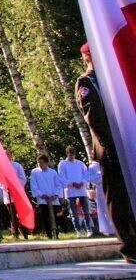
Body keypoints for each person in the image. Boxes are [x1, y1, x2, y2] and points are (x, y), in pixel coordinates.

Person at [76, 42, 136, 262]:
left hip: (129, 143)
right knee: (118, 198)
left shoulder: (115, 76)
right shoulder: (87, 81)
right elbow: (93, 116)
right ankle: (130, 247)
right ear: (88, 57)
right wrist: (108, 144)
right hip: (110, 147)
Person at [57, 145, 93, 237]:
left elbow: (86, 175)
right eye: (70, 154)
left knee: (86, 211)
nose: (71, 156)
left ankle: (89, 229)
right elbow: (61, 177)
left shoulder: (80, 164)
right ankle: (78, 231)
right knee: (74, 212)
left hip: (81, 189)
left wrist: (83, 182)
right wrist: (72, 183)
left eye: (73, 154)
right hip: (70, 190)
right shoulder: (62, 164)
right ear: (67, 154)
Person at [30, 154, 63, 240]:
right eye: (38, 163)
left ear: (46, 163)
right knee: (45, 217)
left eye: (41, 163)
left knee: (55, 217)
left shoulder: (53, 172)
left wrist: (56, 195)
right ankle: (49, 234)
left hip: (53, 199)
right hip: (43, 199)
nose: (40, 165)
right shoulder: (35, 172)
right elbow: (34, 186)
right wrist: (41, 194)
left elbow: (58, 185)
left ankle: (56, 232)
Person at [4, 149, 30, 239]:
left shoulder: (17, 166)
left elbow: (23, 179)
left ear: (11, 155)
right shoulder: (1, 166)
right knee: (12, 215)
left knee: (21, 214)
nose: (6, 156)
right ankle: (15, 234)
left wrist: (15, 185)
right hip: (8, 195)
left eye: (8, 154)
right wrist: (6, 187)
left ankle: (25, 234)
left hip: (18, 194)